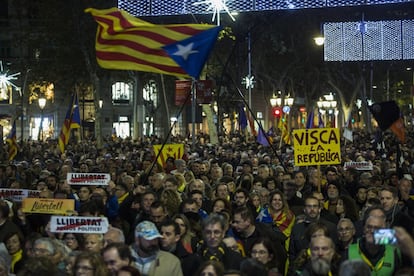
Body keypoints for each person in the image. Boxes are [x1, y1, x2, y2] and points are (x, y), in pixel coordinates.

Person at [232, 206, 286, 273]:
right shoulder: (235, 234)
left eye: (237, 222)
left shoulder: (267, 235)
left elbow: (280, 257)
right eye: (234, 222)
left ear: (248, 221)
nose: (234, 225)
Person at [347, 208, 402, 275]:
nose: (372, 231)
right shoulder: (349, 252)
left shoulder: (394, 252)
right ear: (364, 229)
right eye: (369, 227)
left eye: (377, 228)